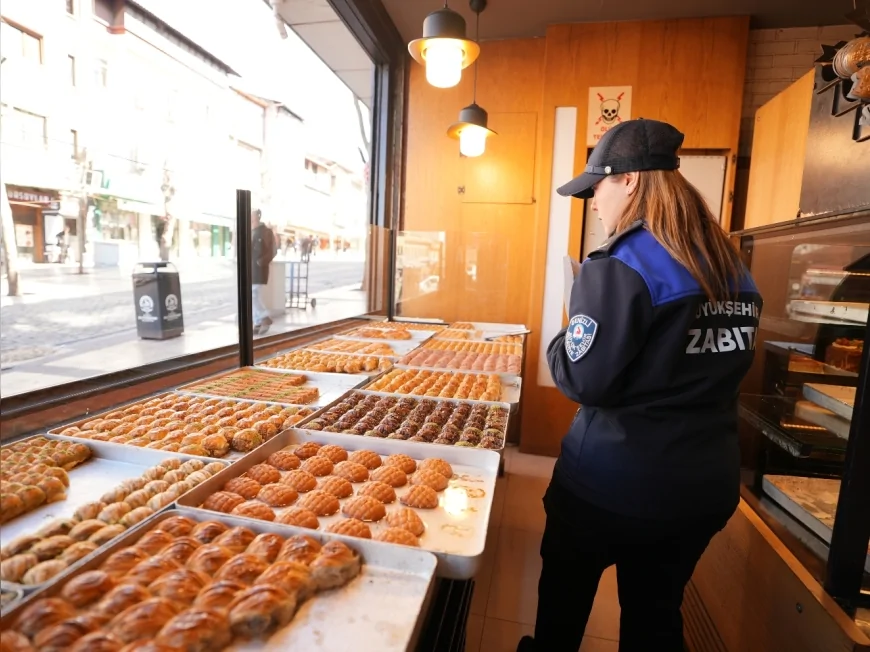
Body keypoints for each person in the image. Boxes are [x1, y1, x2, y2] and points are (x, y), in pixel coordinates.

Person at [519, 119, 763, 652]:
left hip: (614, 483)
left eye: (596, 188)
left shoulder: (623, 265)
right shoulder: (733, 268)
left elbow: (584, 379)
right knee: (655, 615)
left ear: (628, 180)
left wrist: (570, 324)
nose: (594, 203)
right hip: (703, 487)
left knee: (562, 604)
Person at [251, 208, 276, 335]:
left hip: (259, 269)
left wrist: (261, 262)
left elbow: (273, 251)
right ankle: (258, 322)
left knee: (253, 294)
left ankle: (264, 317)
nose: (249, 216)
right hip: (249, 269)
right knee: (251, 296)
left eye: (252, 214)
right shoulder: (250, 231)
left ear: (257, 216)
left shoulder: (266, 232)